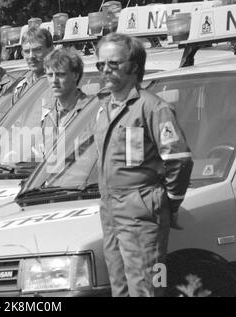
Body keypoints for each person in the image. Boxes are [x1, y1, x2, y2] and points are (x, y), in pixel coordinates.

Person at [93, 33, 193, 297]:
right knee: (120, 286)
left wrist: (169, 202)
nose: (105, 70)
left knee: (150, 284)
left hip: (142, 211)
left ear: (134, 66)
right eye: (101, 65)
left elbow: (179, 160)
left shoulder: (153, 108)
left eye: (113, 63)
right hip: (111, 210)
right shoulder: (105, 108)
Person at [41, 48, 90, 152]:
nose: (54, 81)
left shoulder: (91, 111)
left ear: (75, 75)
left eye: (60, 75)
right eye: (50, 75)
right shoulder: (46, 114)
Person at [12, 27, 54, 104]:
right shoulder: (21, 88)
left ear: (51, 50)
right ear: (22, 54)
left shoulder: (60, 84)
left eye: (37, 50)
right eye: (27, 51)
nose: (31, 56)